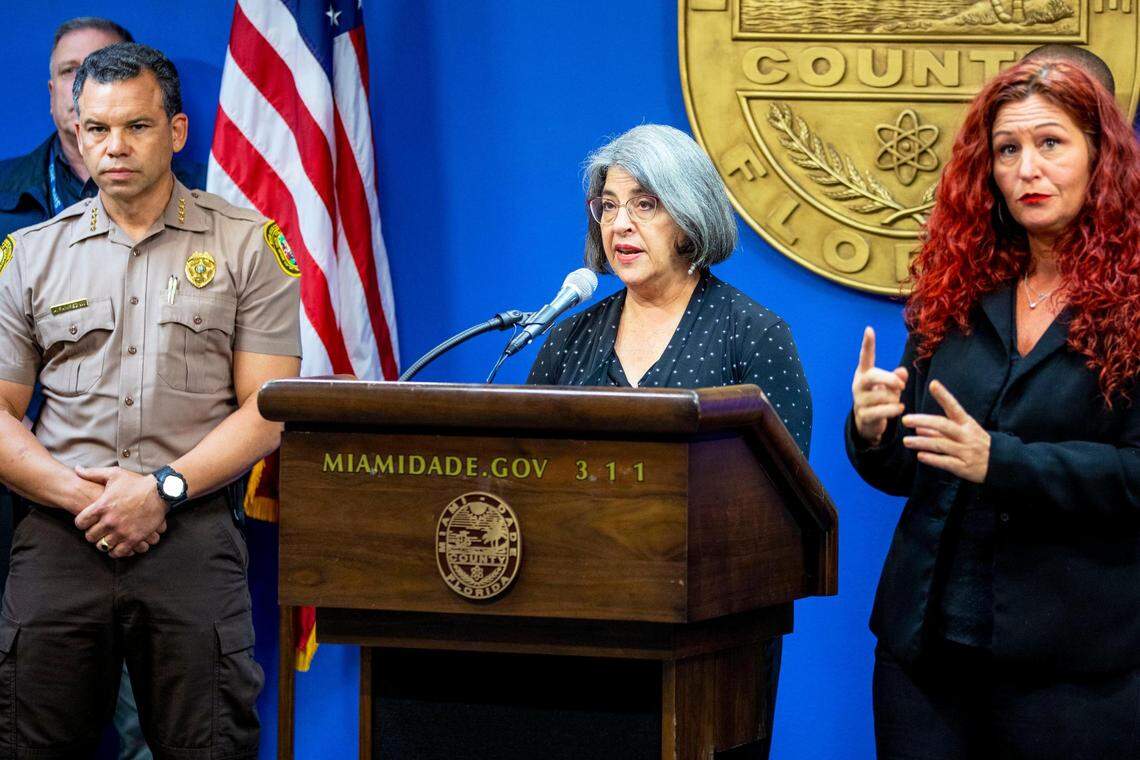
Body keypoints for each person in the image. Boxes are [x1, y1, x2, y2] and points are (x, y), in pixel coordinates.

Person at [0, 41, 301, 759]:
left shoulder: (248, 245)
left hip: (191, 531)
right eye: (95, 129)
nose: (114, 147)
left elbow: (268, 406)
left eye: (136, 126)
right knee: (29, 741)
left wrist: (160, 491)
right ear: (77, 132)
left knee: (210, 742)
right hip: (59, 535)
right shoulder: (30, 255)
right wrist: (86, 499)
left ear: (176, 131)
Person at [847, 59, 1140, 759]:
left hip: (1073, 669)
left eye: (1051, 144)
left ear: (1101, 156)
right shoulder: (960, 286)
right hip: (927, 655)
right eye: (1007, 150)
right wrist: (874, 429)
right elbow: (911, 466)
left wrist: (1001, 462)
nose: (1026, 169)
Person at [527, 123, 813, 752]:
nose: (620, 224)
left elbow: (782, 508)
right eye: (609, 205)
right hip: (575, 633)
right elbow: (524, 479)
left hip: (708, 642)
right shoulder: (569, 340)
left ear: (688, 217)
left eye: (645, 204)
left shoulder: (753, 336)